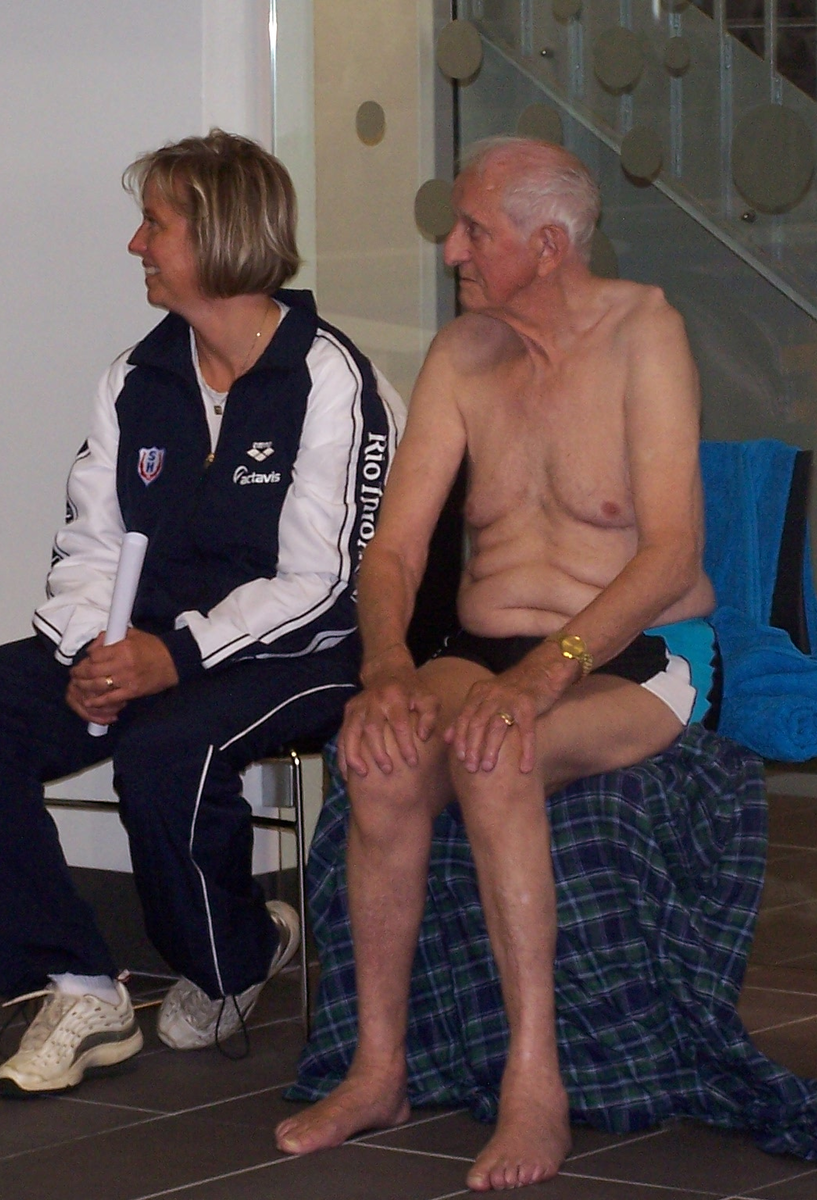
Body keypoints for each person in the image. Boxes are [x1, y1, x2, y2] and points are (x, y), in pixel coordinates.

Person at [0, 130, 404, 1097]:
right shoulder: (136, 377)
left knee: (166, 746)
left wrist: (172, 656)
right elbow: (90, 543)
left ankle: (234, 956)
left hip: (301, 652)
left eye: (154, 225)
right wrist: (93, 647)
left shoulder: (333, 380)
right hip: (147, 640)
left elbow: (321, 580)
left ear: (218, 236)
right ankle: (77, 984)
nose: (137, 245)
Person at [274, 137, 719, 1190]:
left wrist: (542, 677)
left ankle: (535, 1086)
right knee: (382, 757)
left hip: (634, 651)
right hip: (477, 648)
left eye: (474, 231)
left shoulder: (646, 334)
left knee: (493, 753)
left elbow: (670, 556)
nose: (452, 252)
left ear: (549, 245)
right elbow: (395, 552)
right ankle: (377, 1070)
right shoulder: (463, 356)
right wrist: (387, 667)